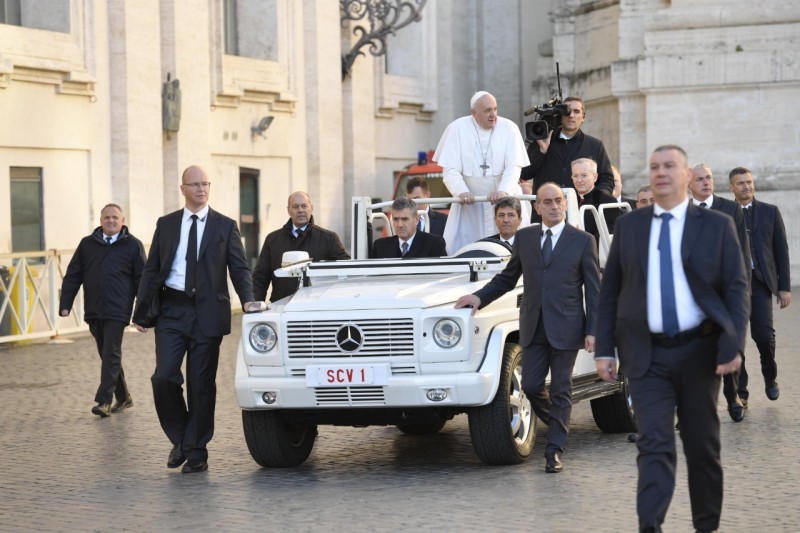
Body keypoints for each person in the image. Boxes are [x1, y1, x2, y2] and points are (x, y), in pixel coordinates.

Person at [595, 145, 749, 532]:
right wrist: (604, 348)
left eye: (669, 166)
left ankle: (706, 526)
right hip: (646, 356)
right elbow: (610, 290)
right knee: (654, 444)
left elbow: (736, 289)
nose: (661, 172)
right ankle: (650, 527)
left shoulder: (716, 225)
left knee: (702, 447)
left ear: (686, 176)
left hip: (700, 354)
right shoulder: (630, 226)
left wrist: (733, 344)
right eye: (654, 167)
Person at [455, 183, 600, 473]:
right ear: (537, 208)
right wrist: (479, 297)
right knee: (532, 386)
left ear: (565, 204)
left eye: (558, 200)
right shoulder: (525, 238)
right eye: (547, 202)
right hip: (533, 326)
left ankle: (554, 450)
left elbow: (594, 290)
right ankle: (559, 422)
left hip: (567, 327)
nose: (554, 206)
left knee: (561, 389)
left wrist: (593, 330)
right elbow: (507, 279)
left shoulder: (583, 241)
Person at [132, 165, 254, 474]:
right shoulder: (167, 224)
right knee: (164, 377)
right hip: (172, 311)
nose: (201, 189)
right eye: (195, 184)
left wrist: (248, 300)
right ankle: (182, 438)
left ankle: (196, 450)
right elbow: (152, 269)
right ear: (183, 189)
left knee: (201, 385)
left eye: (205, 184)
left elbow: (239, 268)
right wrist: (142, 312)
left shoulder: (225, 226)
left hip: (208, 313)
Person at [60, 204, 146, 417]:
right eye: (107, 217)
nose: (111, 221)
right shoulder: (87, 244)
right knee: (107, 354)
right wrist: (65, 304)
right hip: (94, 309)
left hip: (118, 310)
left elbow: (142, 281)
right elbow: (73, 275)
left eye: (115, 217)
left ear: (123, 221)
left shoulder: (133, 245)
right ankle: (124, 397)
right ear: (100, 221)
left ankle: (104, 401)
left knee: (110, 352)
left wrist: (143, 314)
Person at [689, 162, 751, 420]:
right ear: (689, 184)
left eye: (709, 177)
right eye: (700, 179)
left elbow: (742, 252)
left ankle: (733, 395)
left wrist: (742, 292)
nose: (706, 182)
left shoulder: (731, 209)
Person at [433, 91, 531, 254]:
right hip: (470, 206)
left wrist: (503, 191)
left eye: (495, 109)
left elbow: (514, 167)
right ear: (474, 112)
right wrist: (461, 191)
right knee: (466, 250)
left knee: (514, 250)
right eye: (487, 110)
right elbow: (450, 170)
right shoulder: (457, 128)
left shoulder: (509, 128)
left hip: (504, 202)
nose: (493, 115)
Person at [729, 167, 791, 404]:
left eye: (749, 182)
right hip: (733, 285)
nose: (746, 186)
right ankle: (741, 391)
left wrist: (784, 287)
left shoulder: (770, 212)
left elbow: (781, 250)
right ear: (732, 188)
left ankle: (770, 376)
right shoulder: (725, 213)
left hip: (760, 283)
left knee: (764, 336)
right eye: (741, 183)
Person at [520, 96, 614, 216]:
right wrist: (542, 151)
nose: (571, 115)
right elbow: (524, 174)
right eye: (567, 111)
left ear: (583, 117)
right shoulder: (541, 140)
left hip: (582, 215)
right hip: (545, 214)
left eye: (576, 111)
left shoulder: (595, 145)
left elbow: (607, 179)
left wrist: (594, 201)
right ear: (560, 116)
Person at [252, 191, 350, 302]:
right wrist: (255, 305)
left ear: (311, 208)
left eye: (304, 206)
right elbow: (260, 277)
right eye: (295, 206)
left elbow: (346, 272)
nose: (300, 210)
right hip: (281, 305)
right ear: (288, 210)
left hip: (317, 305)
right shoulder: (273, 239)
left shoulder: (329, 239)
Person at [373, 198, 447, 258]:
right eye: (396, 219)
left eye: (405, 219)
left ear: (416, 220)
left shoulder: (434, 244)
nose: (400, 225)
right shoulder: (380, 247)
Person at [571, 158, 621, 244]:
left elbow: (606, 235)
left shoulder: (607, 200)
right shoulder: (568, 199)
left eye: (584, 175)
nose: (579, 180)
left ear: (595, 177)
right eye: (575, 176)